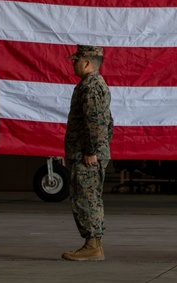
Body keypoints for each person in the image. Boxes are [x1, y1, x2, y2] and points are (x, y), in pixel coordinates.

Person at [62, 44, 114, 262]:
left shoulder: (91, 86)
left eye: (76, 60)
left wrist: (91, 151)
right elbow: (109, 123)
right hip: (89, 152)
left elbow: (94, 122)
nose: (73, 63)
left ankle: (92, 246)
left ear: (87, 63)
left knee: (86, 199)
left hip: (87, 155)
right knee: (90, 197)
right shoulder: (93, 85)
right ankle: (94, 244)